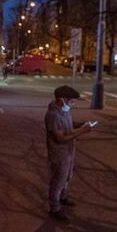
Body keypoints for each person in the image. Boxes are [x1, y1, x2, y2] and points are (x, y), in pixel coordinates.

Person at [44, 85, 95, 223]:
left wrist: (81, 124)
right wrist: (82, 131)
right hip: (59, 153)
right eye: (71, 101)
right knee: (58, 180)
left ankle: (62, 197)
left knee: (67, 176)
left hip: (69, 151)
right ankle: (55, 208)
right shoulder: (53, 115)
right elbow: (60, 138)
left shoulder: (64, 111)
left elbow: (70, 125)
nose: (72, 104)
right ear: (61, 100)